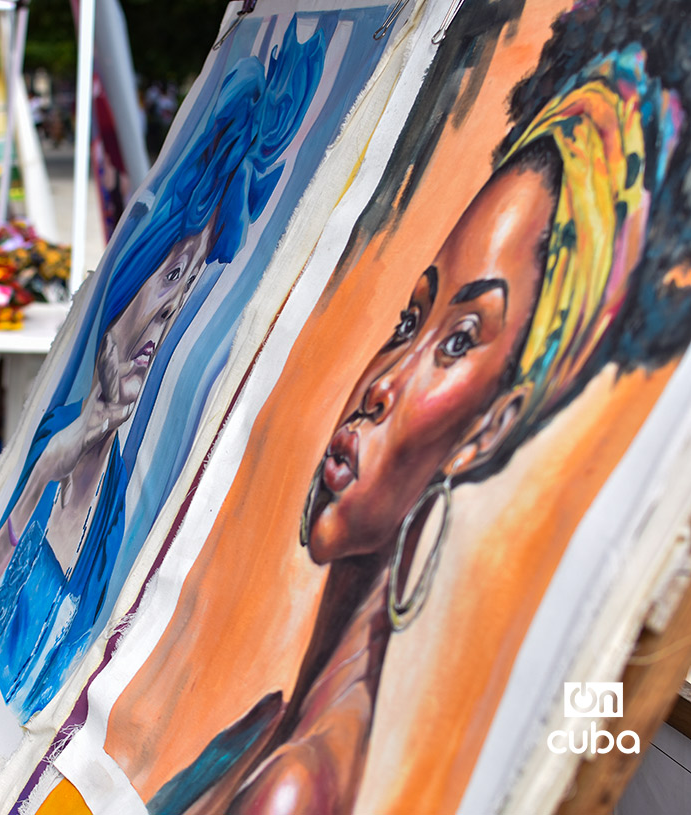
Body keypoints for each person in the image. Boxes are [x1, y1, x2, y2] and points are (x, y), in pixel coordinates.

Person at [152, 7, 691, 813]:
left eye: (458, 340)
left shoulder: (297, 785)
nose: (381, 383)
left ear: (496, 423)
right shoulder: (270, 725)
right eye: (411, 320)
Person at [0, 16, 325, 720]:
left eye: (191, 290)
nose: (171, 316)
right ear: (127, 283)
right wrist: (43, 476)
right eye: (170, 278)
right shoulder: (59, 442)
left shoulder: (130, 489)